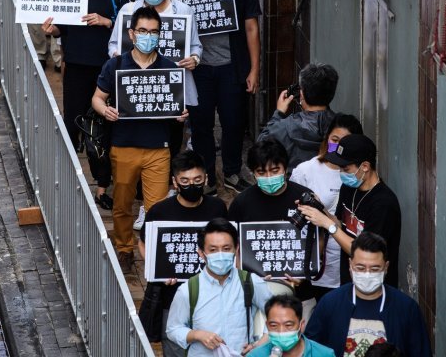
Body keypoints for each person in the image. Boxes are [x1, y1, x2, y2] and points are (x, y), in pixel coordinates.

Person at [91, 6, 188, 272]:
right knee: (122, 205)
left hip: (159, 148)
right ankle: (124, 249)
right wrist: (105, 109)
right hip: (123, 147)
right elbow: (97, 98)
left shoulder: (169, 68)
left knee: (156, 209)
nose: (148, 36)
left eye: (154, 32)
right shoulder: (116, 64)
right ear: (132, 34)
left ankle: (152, 253)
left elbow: (179, 107)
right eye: (143, 31)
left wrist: (181, 115)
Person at [42, 0, 126, 209]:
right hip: (76, 66)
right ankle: (69, 181)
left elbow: (128, 25)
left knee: (103, 129)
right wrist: (51, 29)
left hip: (106, 67)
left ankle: (102, 186)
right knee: (73, 123)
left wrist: (106, 21)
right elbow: (61, 29)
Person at [177, 0, 262, 194]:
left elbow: (251, 29)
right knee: (201, 125)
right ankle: (207, 178)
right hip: (198, 69)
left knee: (234, 123)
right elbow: (178, 22)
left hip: (231, 68)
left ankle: (232, 173)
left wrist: (254, 69)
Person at [138, 150, 228, 356]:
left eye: (197, 179)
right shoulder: (159, 211)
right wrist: (157, 268)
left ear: (206, 178)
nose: (192, 185)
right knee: (175, 346)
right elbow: (143, 244)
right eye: (185, 181)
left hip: (212, 293)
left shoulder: (218, 207)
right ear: (175, 182)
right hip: (172, 296)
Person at [296, 134, 402, 288]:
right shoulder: (349, 188)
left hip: (374, 287)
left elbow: (365, 252)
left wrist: (327, 225)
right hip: (348, 283)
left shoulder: (383, 204)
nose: (341, 173)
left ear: (364, 166)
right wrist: (319, 208)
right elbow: (341, 223)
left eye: (345, 168)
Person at [305, 233, 431, 357]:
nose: (367, 274)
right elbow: (309, 349)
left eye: (375, 269)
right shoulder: (330, 304)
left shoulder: (406, 309)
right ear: (350, 265)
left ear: (386, 267)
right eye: (360, 268)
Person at [166, 218, 272, 356]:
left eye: (226, 248)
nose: (220, 254)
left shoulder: (250, 282)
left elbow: (278, 314)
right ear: (201, 253)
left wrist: (259, 344)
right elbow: (173, 329)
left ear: (236, 248)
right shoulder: (188, 290)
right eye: (213, 250)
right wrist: (197, 334)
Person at [290, 114, 364, 301]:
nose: (338, 146)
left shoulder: (357, 177)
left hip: (344, 266)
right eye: (334, 139)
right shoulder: (305, 171)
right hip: (310, 261)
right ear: (326, 138)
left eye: (344, 142)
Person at [258, 63, 339, 168]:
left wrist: (278, 113)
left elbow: (261, 146)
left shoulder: (285, 126)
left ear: (301, 94)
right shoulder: (342, 126)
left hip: (293, 182)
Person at [228, 139, 314, 224]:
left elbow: (320, 233)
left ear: (286, 169)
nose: (269, 177)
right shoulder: (241, 203)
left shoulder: (304, 197)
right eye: (261, 172)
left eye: (275, 171)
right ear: (253, 173)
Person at [247, 295, 335, 357]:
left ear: (301, 325)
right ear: (267, 326)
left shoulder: (324, 354)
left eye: (288, 325)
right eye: (274, 325)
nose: (281, 331)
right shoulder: (255, 355)